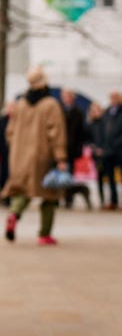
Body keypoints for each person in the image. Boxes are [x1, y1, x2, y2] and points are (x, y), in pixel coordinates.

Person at [3, 66, 68, 245]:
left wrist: (16, 149)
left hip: (20, 156)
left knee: (22, 191)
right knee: (50, 193)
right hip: (42, 156)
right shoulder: (51, 104)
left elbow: (10, 131)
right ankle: (44, 234)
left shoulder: (20, 104)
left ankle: (14, 214)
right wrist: (60, 157)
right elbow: (56, 132)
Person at [85, 101, 106, 207]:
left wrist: (103, 149)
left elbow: (109, 138)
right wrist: (94, 148)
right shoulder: (89, 125)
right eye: (93, 111)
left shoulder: (106, 124)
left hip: (106, 155)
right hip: (94, 156)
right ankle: (102, 200)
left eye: (97, 110)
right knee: (99, 179)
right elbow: (87, 140)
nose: (95, 112)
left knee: (108, 179)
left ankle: (110, 201)